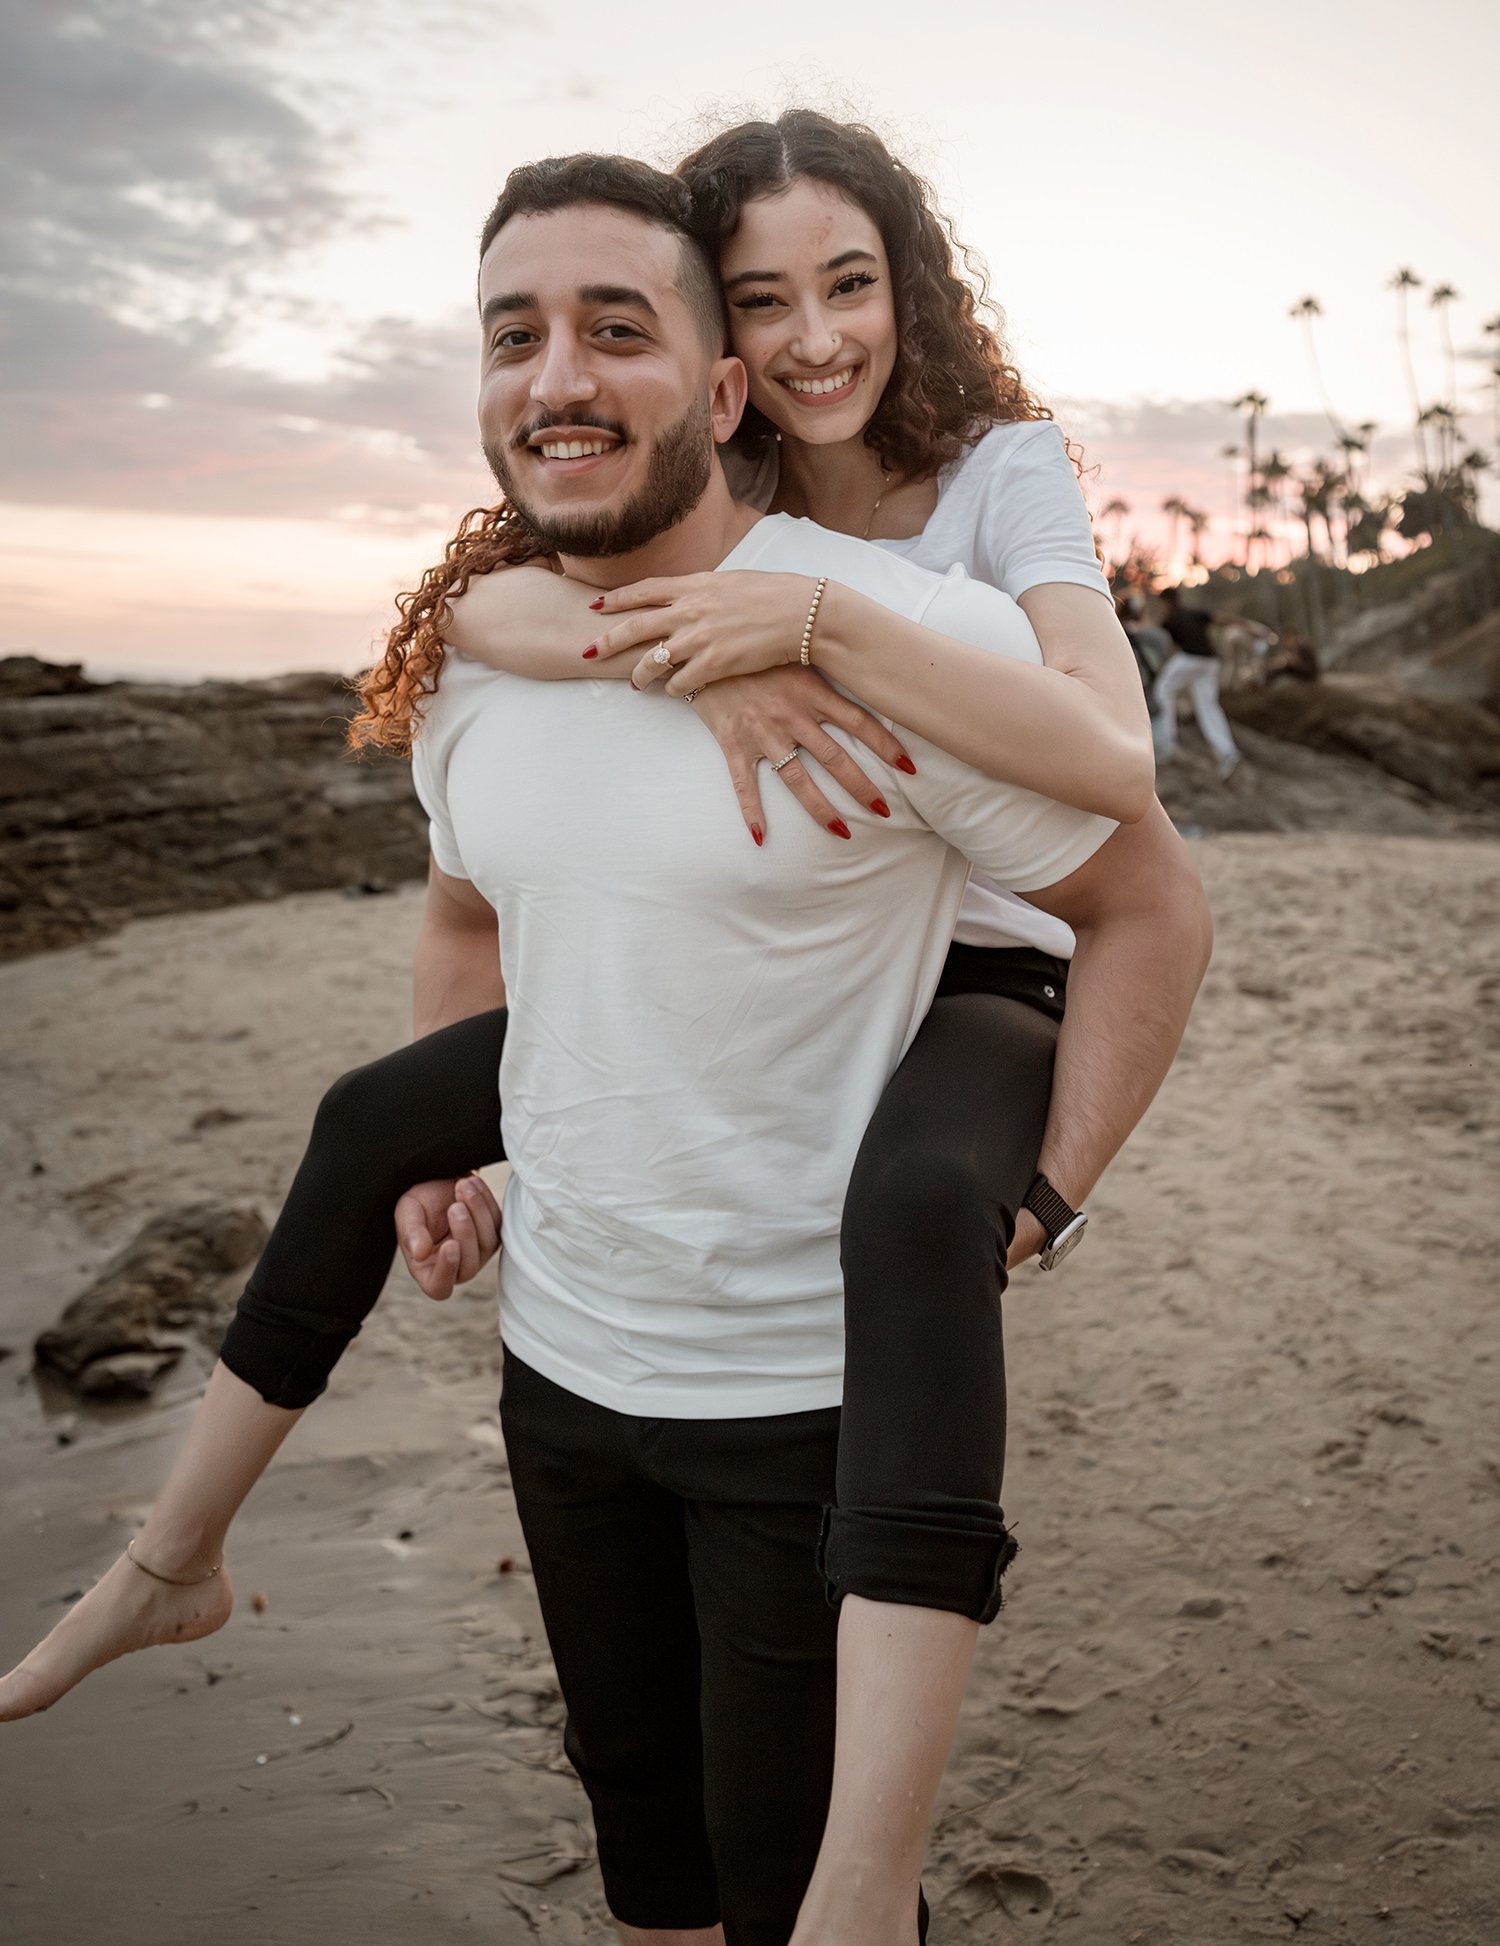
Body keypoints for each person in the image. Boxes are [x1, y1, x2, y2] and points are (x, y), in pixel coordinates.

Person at [0, 141, 1213, 1946]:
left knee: (794, 1899)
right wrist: (469, 1152)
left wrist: (1048, 1189)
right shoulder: (493, 652)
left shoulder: (914, 631)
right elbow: (473, 909)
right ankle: (173, 1557)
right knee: (644, 1867)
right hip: (562, 1384)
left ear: (714, 388)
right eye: (515, 337)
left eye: (616, 329)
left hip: (801, 1408)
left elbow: (1145, 894)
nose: (558, 376)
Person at [1152, 584, 1242, 780]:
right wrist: (1249, 627)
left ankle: (1167, 743)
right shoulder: (1193, 613)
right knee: (1207, 705)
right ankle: (1227, 751)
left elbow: (1166, 647)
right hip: (1210, 662)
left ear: (1166, 602)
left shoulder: (1169, 620)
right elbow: (1221, 619)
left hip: (1191, 659)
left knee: (1162, 689)